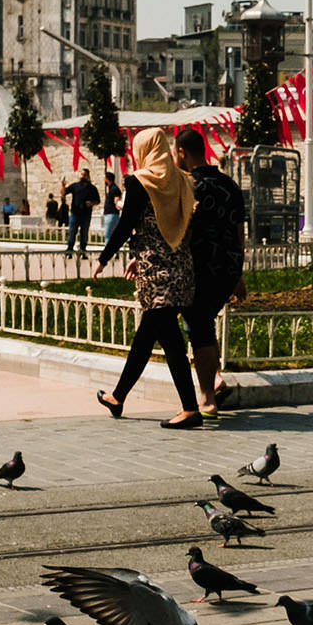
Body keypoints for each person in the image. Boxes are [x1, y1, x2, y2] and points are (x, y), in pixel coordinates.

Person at [93, 129, 202, 429]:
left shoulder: (140, 181)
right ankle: (118, 396)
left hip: (156, 272)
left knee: (171, 342)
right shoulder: (182, 179)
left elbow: (126, 223)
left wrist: (103, 259)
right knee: (147, 336)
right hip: (181, 268)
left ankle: (191, 409)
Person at [174, 129, 247, 417]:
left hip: (201, 267)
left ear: (182, 152)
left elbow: (186, 231)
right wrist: (238, 274)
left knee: (199, 329)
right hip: (227, 267)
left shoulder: (190, 185)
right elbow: (240, 234)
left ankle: (206, 399)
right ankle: (214, 382)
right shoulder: (230, 185)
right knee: (201, 326)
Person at [63, 168, 101, 257]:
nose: (82, 176)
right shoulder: (75, 186)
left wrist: (91, 203)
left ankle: (83, 250)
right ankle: (69, 250)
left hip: (86, 214)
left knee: (84, 233)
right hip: (75, 213)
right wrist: (63, 185)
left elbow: (98, 201)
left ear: (88, 176)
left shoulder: (92, 188)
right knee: (72, 232)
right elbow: (64, 192)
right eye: (81, 174)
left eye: (84, 175)